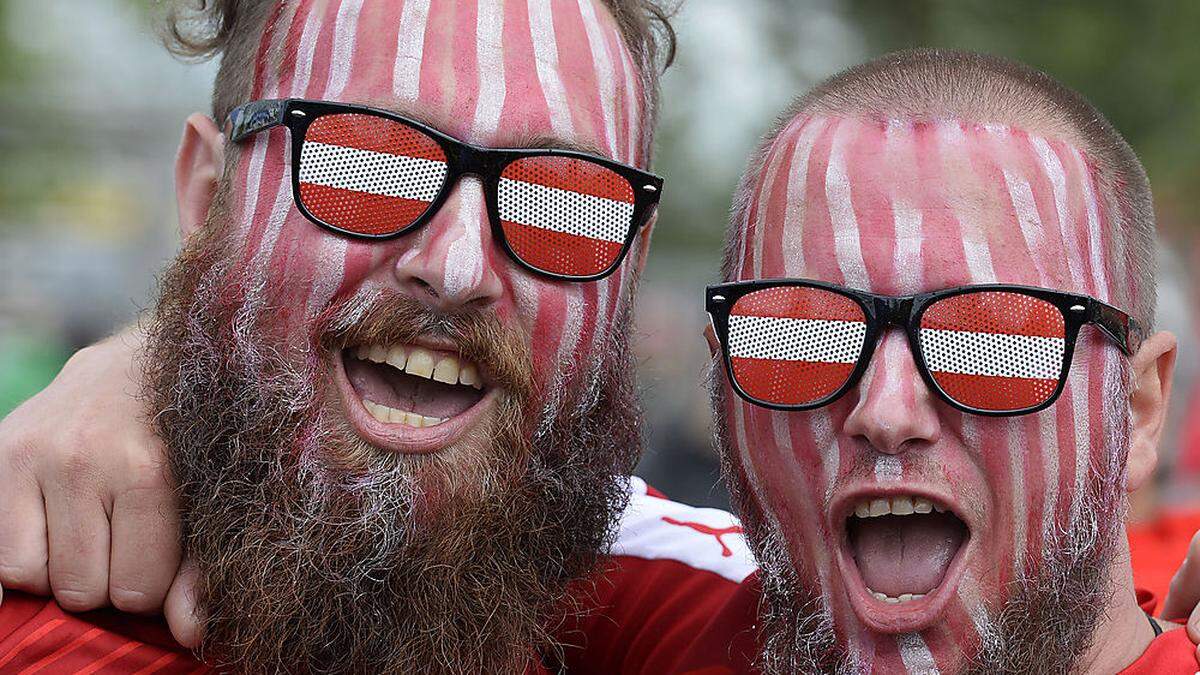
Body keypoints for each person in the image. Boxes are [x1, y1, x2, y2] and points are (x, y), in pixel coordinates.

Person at [0, 1, 757, 672]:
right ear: (207, 199)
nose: (457, 269)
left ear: (632, 264)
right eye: (369, 163)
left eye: (560, 201)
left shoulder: (709, 613)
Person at [705, 49, 1197, 672]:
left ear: (1139, 410)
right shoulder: (628, 617)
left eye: (988, 339)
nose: (885, 415)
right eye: (804, 333)